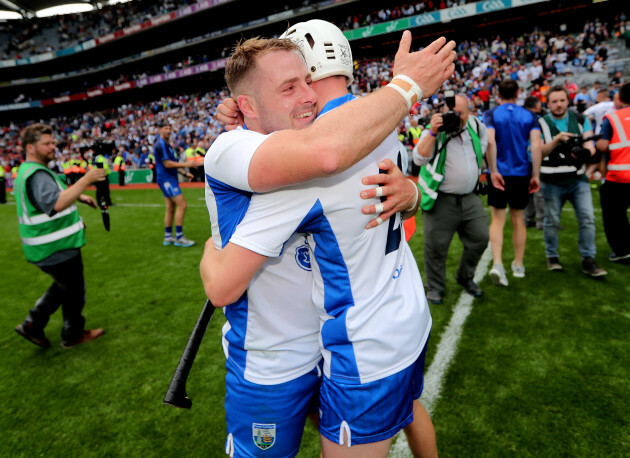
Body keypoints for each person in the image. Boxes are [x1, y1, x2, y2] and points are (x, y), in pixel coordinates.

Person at [203, 25, 455, 457]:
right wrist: (411, 193)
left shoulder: (311, 156)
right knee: (408, 409)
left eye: (304, 81)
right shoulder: (376, 120)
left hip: (354, 345)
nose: (303, 95)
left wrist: (212, 246)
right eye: (288, 86)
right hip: (393, 318)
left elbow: (223, 284)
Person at [13, 123, 106, 349]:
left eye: (53, 142)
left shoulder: (29, 170)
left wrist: (80, 197)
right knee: (73, 290)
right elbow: (55, 203)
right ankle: (69, 334)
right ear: (30, 147)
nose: (53, 147)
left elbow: (55, 194)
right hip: (54, 247)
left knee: (66, 286)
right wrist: (86, 180)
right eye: (47, 144)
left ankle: (34, 323)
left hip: (49, 246)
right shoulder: (36, 173)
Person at [413, 94, 492, 304]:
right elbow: (418, 158)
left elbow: (485, 145)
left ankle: (465, 277)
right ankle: (435, 287)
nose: (456, 117)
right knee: (436, 247)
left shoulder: (476, 126)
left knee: (481, 237)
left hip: (470, 197)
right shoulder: (437, 129)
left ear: (470, 112)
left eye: (461, 113)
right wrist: (432, 132)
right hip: (441, 199)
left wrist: (492, 169)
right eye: (452, 113)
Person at [538, 85, 607, 276]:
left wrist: (584, 151)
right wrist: (558, 140)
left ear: (568, 101)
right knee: (551, 221)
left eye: (562, 100)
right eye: (554, 101)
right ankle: (552, 256)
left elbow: (589, 145)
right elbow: (540, 151)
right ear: (548, 103)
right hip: (551, 180)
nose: (559, 105)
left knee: (587, 219)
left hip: (577, 178)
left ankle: (588, 259)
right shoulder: (541, 122)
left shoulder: (580, 119)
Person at [484, 79, 542, 286]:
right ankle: (518, 265)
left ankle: (498, 263)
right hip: (521, 174)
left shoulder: (491, 114)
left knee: (497, 220)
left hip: (499, 173)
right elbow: (536, 146)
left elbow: (489, 141)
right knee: (518, 220)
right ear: (518, 93)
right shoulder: (530, 115)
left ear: (497, 93)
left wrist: (493, 171)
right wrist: (535, 175)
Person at [596, 82, 630, 263]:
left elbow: (603, 145)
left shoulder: (613, 118)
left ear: (621, 98)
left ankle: (622, 251)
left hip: (619, 177)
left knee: (614, 216)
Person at [154, 121, 196, 247]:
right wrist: (186, 165)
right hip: (166, 179)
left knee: (171, 207)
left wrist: (184, 173)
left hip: (169, 178)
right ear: (160, 129)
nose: (168, 130)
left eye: (170, 128)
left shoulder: (166, 144)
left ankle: (168, 237)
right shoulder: (161, 144)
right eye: (165, 128)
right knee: (182, 205)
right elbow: (167, 164)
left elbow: (172, 163)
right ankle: (179, 237)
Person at [523, 95, 546, 230]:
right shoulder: (537, 119)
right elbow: (539, 142)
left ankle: (528, 219)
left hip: (523, 159)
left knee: (527, 191)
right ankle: (541, 221)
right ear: (536, 106)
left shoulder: (520, 117)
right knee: (538, 190)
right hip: (534, 158)